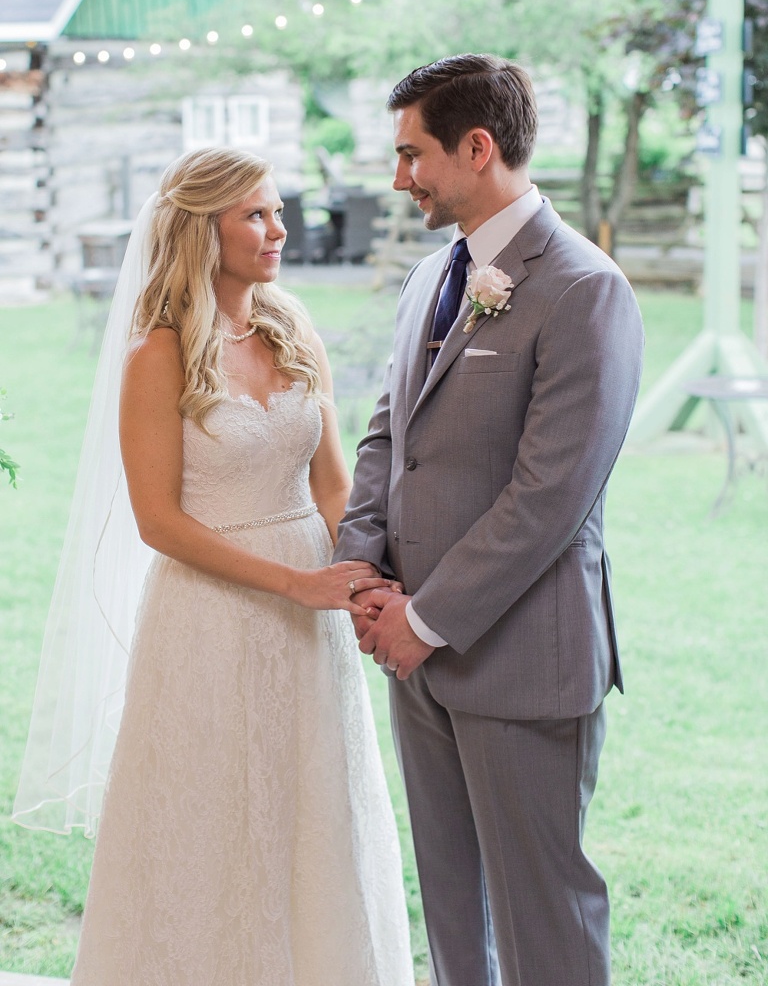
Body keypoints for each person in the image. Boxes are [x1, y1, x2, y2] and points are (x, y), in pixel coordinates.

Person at [14, 147, 414, 986]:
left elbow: (332, 481)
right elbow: (159, 521)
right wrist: (297, 584)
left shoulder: (292, 324)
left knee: (313, 808)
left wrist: (362, 580)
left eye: (276, 210)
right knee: (213, 815)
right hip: (210, 616)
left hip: (313, 618)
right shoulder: (156, 355)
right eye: (255, 215)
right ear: (204, 230)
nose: (279, 229)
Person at [334, 54, 645, 986]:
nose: (399, 179)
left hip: (516, 659)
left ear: (478, 147)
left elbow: (551, 496)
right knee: (452, 909)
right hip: (410, 650)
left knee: (543, 912)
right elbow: (389, 436)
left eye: (412, 154)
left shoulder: (585, 290)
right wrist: (363, 575)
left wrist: (425, 622)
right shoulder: (431, 276)